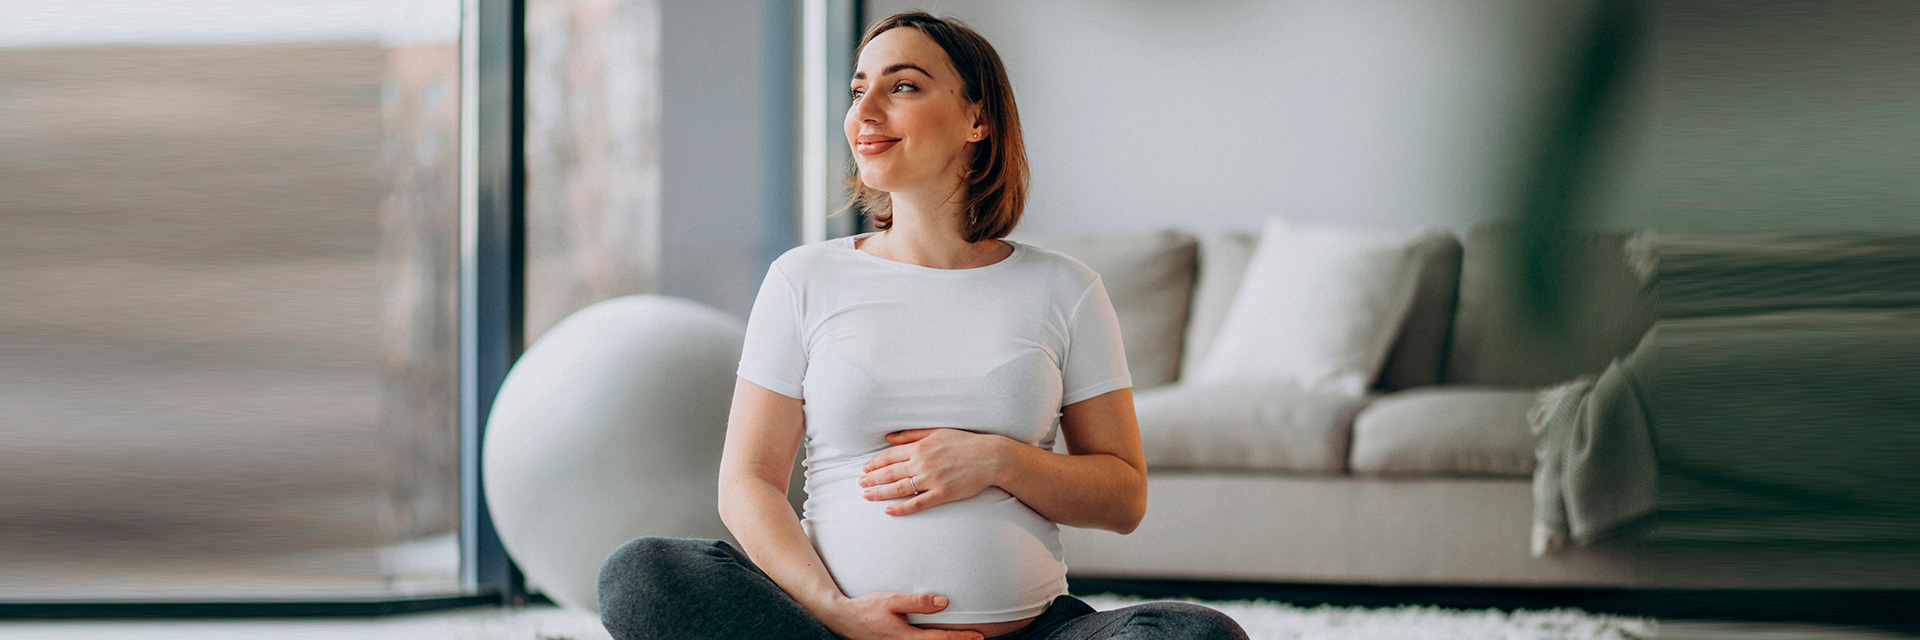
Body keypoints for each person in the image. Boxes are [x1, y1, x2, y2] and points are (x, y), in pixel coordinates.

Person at [598, 11, 1250, 640]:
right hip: (834, 630)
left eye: (903, 86)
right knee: (642, 575)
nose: (864, 112)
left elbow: (1123, 498)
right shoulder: (803, 279)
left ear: (978, 119)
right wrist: (835, 611)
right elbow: (747, 483)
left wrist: (996, 459)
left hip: (1032, 632)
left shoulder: (1067, 288)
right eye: (859, 90)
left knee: (1196, 634)